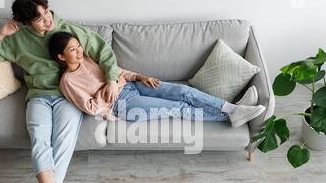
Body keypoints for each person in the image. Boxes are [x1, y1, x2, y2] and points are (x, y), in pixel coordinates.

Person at [0, 0, 121, 183]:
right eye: (39, 18)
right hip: (38, 97)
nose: (48, 20)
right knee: (39, 138)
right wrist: (1, 34)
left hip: (69, 96)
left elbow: (103, 51)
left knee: (63, 140)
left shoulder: (69, 30)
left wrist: (113, 79)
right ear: (26, 22)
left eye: (47, 12)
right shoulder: (17, 39)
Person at [48, 31, 266, 126]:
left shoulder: (88, 59)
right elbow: (89, 107)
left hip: (133, 86)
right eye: (72, 50)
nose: (78, 51)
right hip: (123, 104)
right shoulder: (68, 82)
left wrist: (140, 76)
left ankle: (232, 109)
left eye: (78, 46)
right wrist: (107, 91)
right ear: (61, 56)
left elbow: (115, 70)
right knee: (178, 107)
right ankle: (229, 116)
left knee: (184, 92)